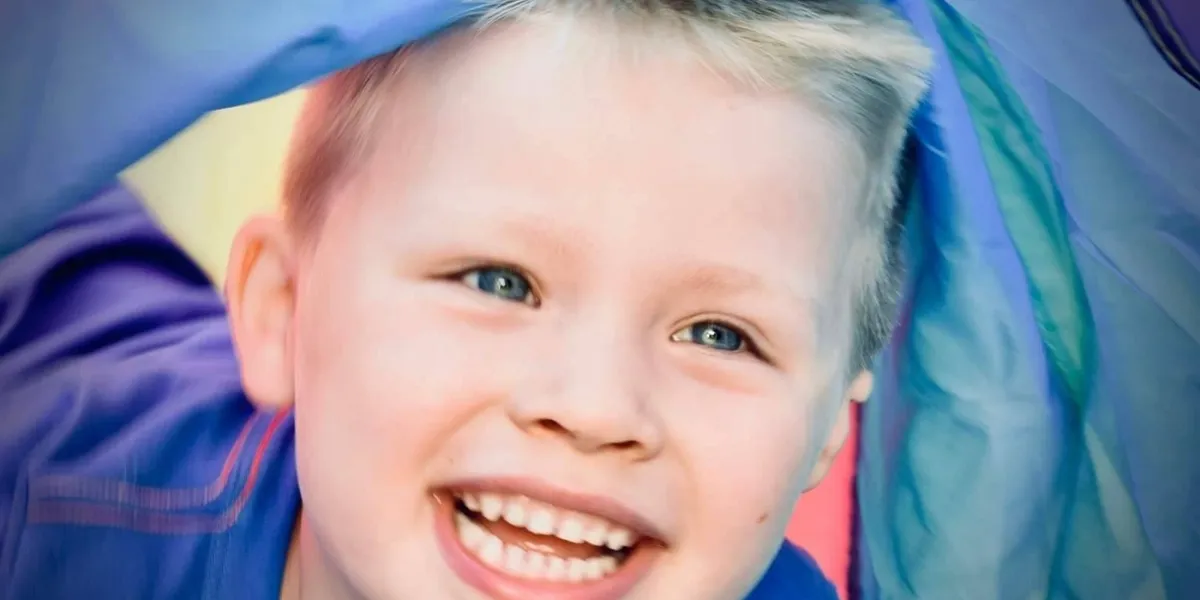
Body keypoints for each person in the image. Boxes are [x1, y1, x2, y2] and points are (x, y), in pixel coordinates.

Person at [0, 0, 930, 597]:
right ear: (285, 311)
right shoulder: (70, 532)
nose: (594, 408)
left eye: (719, 334)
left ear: (829, 425)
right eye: (499, 282)